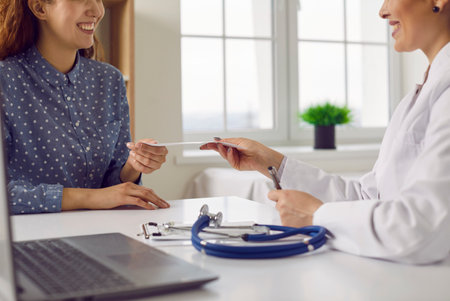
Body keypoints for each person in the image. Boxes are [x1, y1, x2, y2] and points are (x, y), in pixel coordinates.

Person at [201, 0, 450, 264]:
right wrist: (272, 163)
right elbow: (369, 197)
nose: (382, 11)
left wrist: (316, 215)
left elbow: (422, 229)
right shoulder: (422, 93)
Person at [0, 0, 170, 214]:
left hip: (102, 233)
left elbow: (111, 183)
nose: (97, 11)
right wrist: (92, 198)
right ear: (40, 8)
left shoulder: (110, 81)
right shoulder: (6, 81)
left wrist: (134, 166)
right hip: (33, 238)